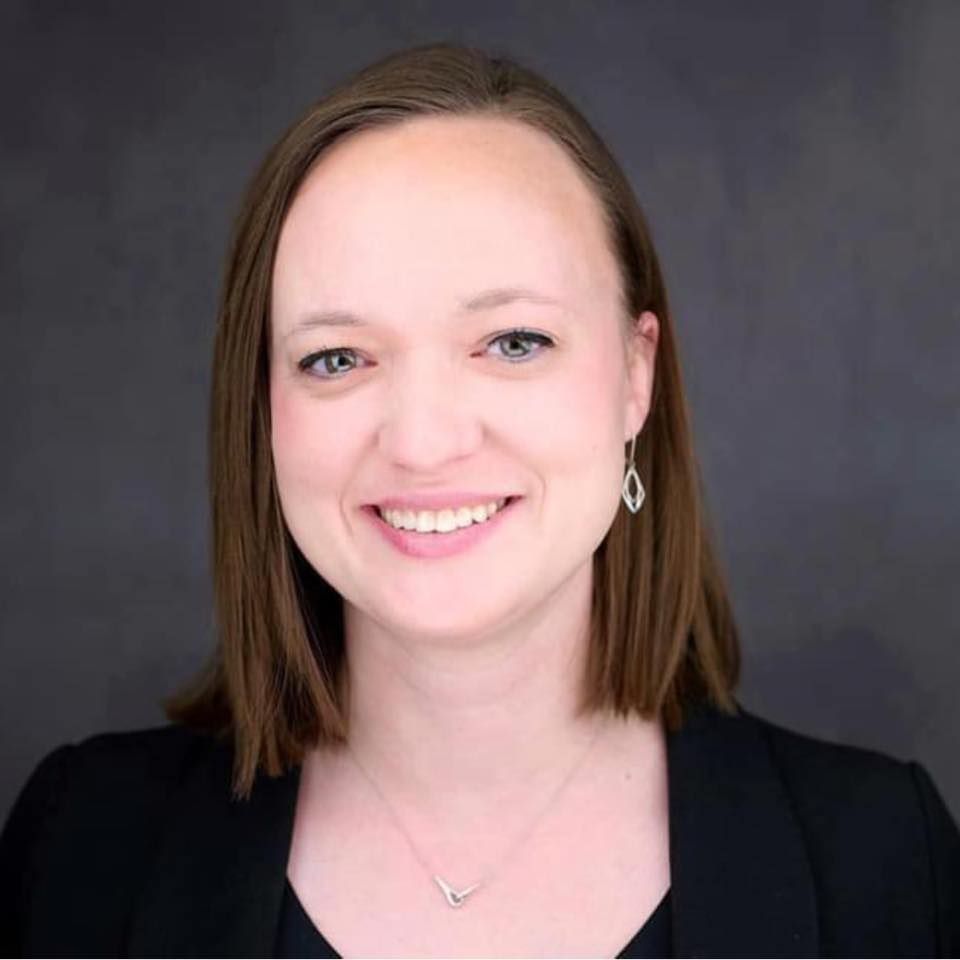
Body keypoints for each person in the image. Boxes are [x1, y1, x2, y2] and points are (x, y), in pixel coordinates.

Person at [1, 41, 958, 959]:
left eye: (512, 342)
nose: (422, 440)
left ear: (637, 377)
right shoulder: (77, 849)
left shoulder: (886, 867)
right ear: (262, 410)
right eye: (337, 358)